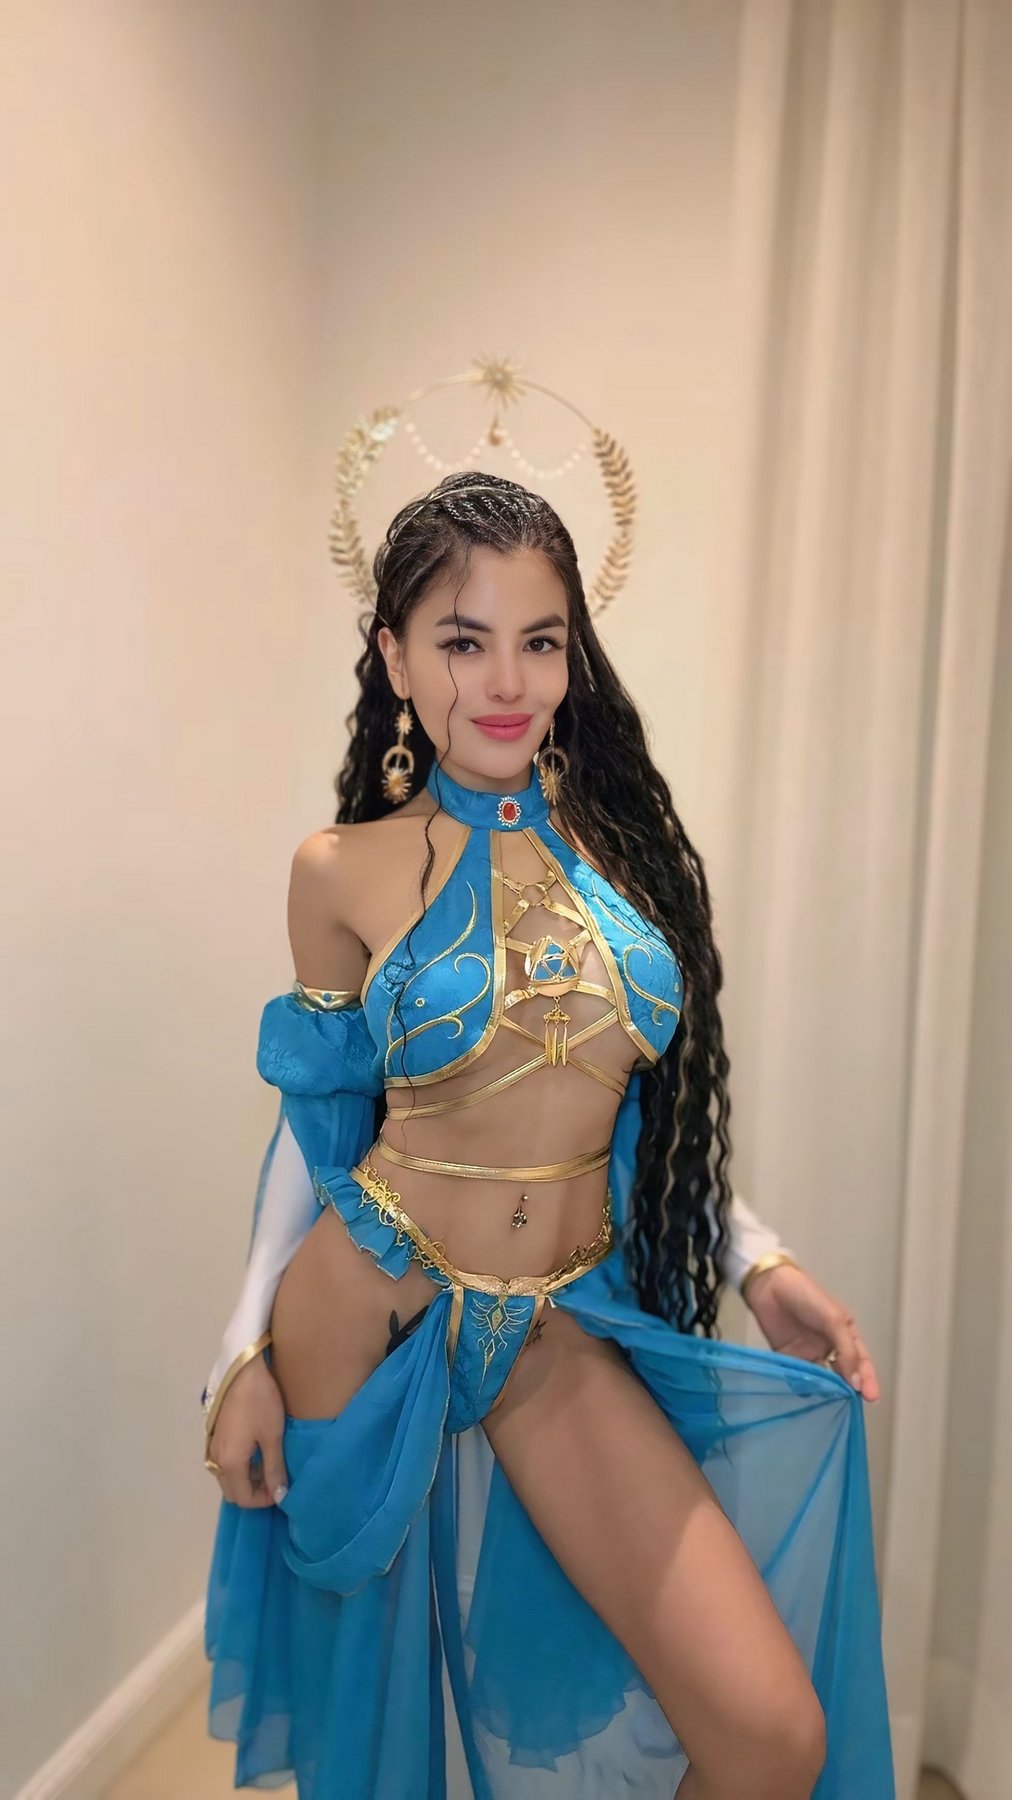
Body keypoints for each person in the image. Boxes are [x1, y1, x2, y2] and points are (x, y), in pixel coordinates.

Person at [201, 471, 894, 1799]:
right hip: (365, 1311)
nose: (508, 682)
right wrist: (240, 1351)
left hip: (554, 1319)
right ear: (396, 657)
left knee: (768, 1734)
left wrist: (758, 1261)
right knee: (385, 1746)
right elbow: (317, 1135)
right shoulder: (338, 870)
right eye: (464, 641)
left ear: (576, 651)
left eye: (541, 639)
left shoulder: (632, 857)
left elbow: (643, 1117)